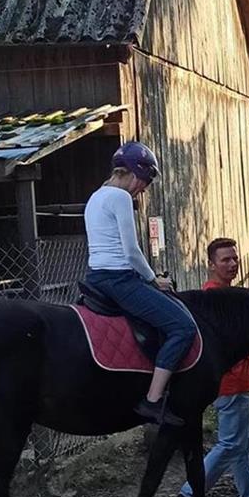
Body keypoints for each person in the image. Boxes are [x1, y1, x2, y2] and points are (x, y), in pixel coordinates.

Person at [83, 142, 196, 427]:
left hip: (96, 276)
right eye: (145, 181)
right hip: (119, 279)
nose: (143, 189)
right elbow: (132, 251)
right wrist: (152, 279)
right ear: (134, 173)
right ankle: (153, 399)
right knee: (182, 327)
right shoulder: (120, 197)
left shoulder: (95, 196)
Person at [173, 238, 249, 497]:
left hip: (238, 379)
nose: (232, 264)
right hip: (230, 381)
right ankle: (189, 494)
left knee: (244, 440)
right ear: (211, 265)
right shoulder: (215, 299)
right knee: (231, 442)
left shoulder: (226, 295)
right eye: (225, 260)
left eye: (234, 258)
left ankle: (248, 495)